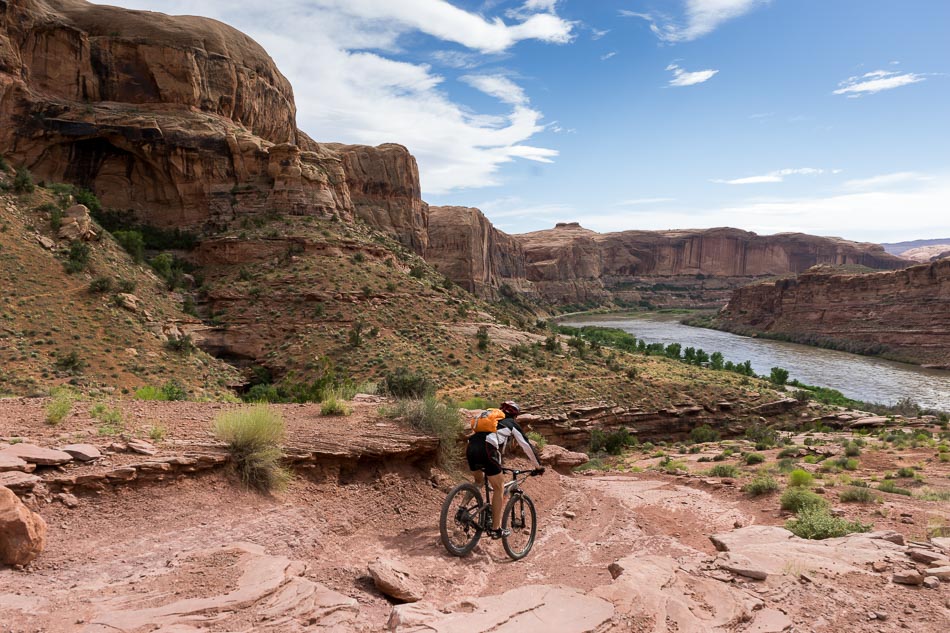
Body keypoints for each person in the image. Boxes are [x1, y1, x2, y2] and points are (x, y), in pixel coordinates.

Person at [465, 400, 544, 539]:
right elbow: (526, 446)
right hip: (487, 450)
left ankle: (462, 509)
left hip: (471, 447)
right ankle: (496, 529)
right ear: (515, 416)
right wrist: (538, 466)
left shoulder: (493, 422)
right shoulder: (512, 424)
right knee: (499, 488)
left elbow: (497, 446)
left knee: (478, 482)